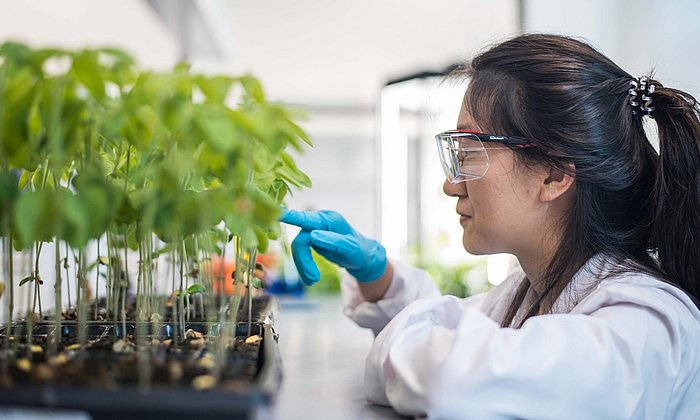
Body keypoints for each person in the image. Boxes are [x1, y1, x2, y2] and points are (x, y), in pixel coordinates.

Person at [281, 34, 700, 419]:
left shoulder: (645, 324)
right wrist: (379, 275)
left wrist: (414, 343)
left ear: (553, 175)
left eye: (470, 152)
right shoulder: (530, 291)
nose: (451, 184)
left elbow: (451, 378)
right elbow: (456, 337)